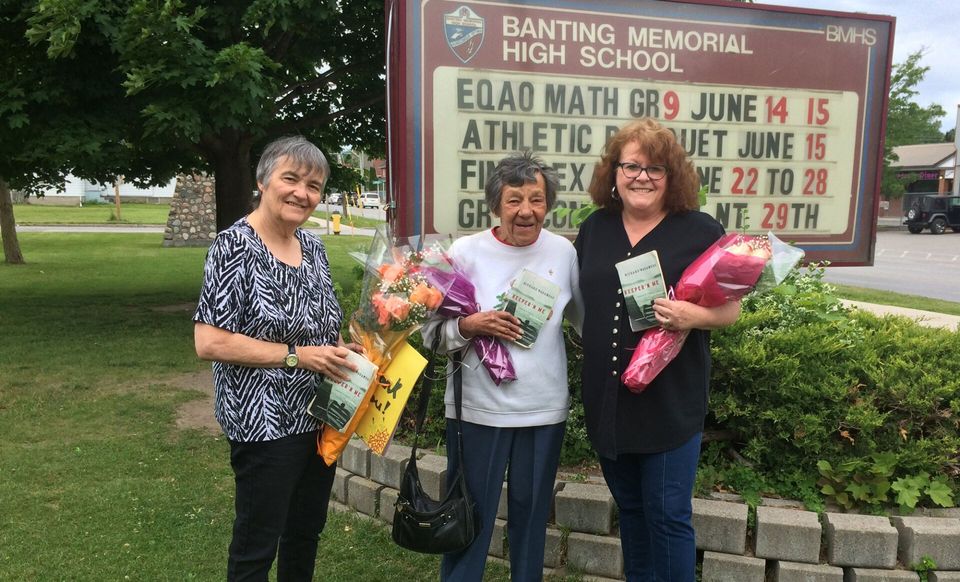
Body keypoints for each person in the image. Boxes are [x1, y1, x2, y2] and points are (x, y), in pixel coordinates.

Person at [573, 118, 741, 582]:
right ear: (614, 172)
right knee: (630, 510)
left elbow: (730, 311)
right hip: (607, 399)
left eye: (656, 168)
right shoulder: (596, 228)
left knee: (667, 517)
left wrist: (694, 317)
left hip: (670, 402)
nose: (641, 177)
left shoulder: (701, 230)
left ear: (673, 176)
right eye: (631, 165)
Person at [193, 135, 363, 582]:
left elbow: (320, 331)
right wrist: (295, 357)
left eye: (314, 186)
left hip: (321, 415)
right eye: (291, 178)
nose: (302, 193)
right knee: (256, 546)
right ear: (263, 180)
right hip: (264, 424)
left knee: (305, 535)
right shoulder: (234, 248)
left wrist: (347, 349)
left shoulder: (316, 250)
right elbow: (209, 341)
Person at [422, 151, 583, 582]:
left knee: (531, 520)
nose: (526, 211)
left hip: (543, 411)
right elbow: (430, 334)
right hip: (478, 410)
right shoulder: (464, 252)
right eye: (514, 200)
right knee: (468, 517)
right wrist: (470, 324)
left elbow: (589, 325)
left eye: (537, 199)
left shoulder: (564, 253)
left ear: (548, 204)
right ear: (495, 205)